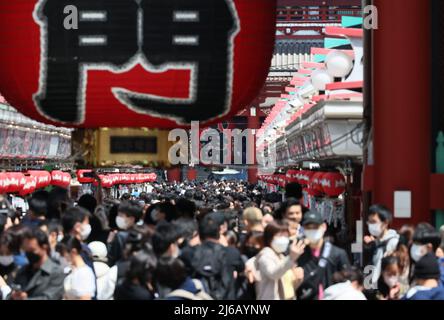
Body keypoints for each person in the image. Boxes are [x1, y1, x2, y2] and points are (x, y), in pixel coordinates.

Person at [296, 210, 350, 300]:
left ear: (324, 227)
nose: (312, 230)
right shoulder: (299, 254)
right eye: (308, 228)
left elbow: (348, 282)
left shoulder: (338, 253)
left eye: (315, 227)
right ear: (303, 230)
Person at [5, 228, 65, 300]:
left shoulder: (56, 272)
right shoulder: (23, 270)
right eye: (26, 250)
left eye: (32, 250)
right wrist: (13, 296)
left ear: (44, 247)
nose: (28, 253)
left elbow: (50, 297)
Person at [254, 221, 305, 300]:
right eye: (279, 236)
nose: (283, 239)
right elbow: (274, 273)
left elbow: (288, 287)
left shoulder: (281, 256)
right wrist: (291, 258)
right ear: (269, 237)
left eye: (286, 236)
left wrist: (298, 279)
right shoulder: (266, 255)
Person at [363, 204, 399, 285]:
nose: (370, 225)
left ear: (385, 223)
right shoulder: (376, 243)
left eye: (374, 222)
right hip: (373, 286)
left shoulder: (393, 242)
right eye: (369, 222)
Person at [108, 200, 143, 266]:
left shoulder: (120, 236)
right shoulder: (145, 232)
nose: (118, 218)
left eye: (121, 215)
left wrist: (109, 242)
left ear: (132, 219)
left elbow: (112, 259)